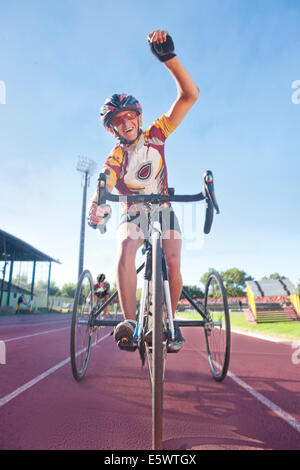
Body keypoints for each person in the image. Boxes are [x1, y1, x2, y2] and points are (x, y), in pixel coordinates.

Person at [88, 29, 199, 352]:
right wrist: (98, 206)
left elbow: (189, 96)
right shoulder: (116, 156)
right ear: (112, 130)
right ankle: (128, 321)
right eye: (117, 121)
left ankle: (168, 322)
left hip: (164, 210)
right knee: (124, 247)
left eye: (129, 116)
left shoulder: (157, 134)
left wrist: (169, 59)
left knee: (174, 261)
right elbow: (104, 185)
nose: (126, 123)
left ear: (138, 117)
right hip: (133, 214)